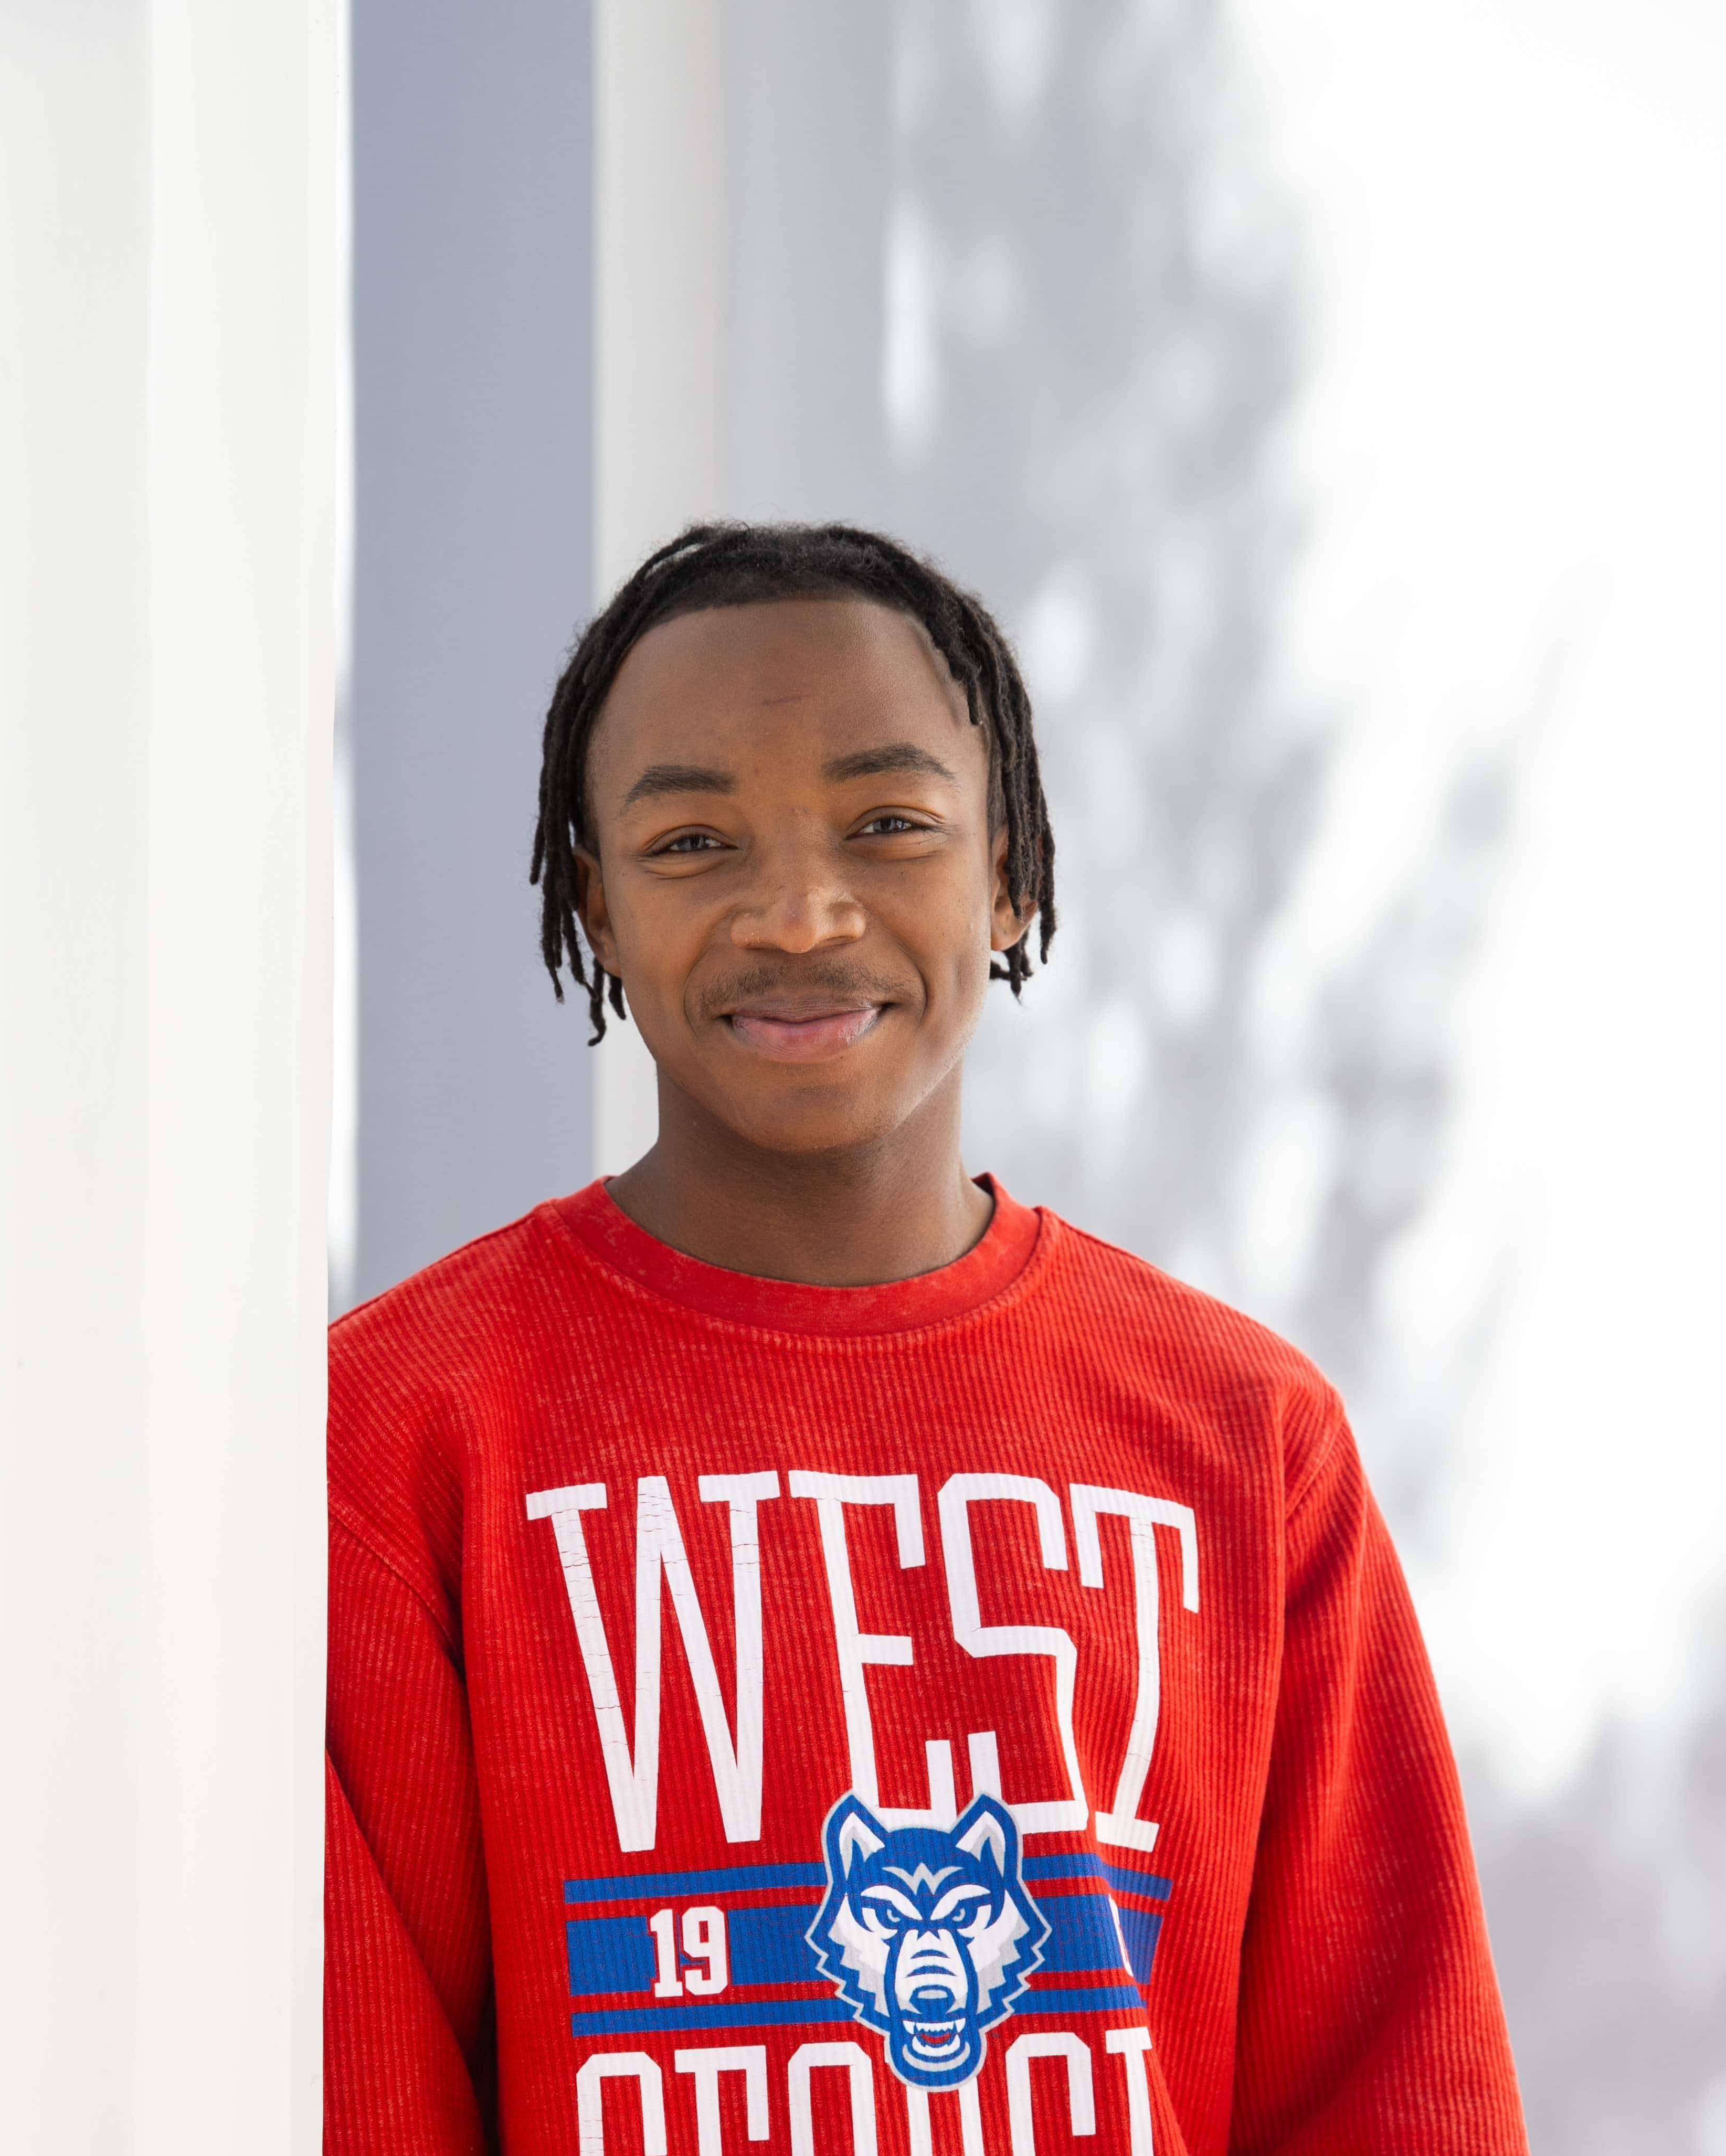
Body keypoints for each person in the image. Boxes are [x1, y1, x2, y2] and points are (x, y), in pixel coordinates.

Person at [323, 524, 1527, 2155]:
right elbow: (359, 2096)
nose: (803, 913)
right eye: (692, 842)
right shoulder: (395, 1435)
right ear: (593, 903)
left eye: (891, 824)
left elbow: (1398, 2096)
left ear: (1012, 865)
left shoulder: (1246, 1440)